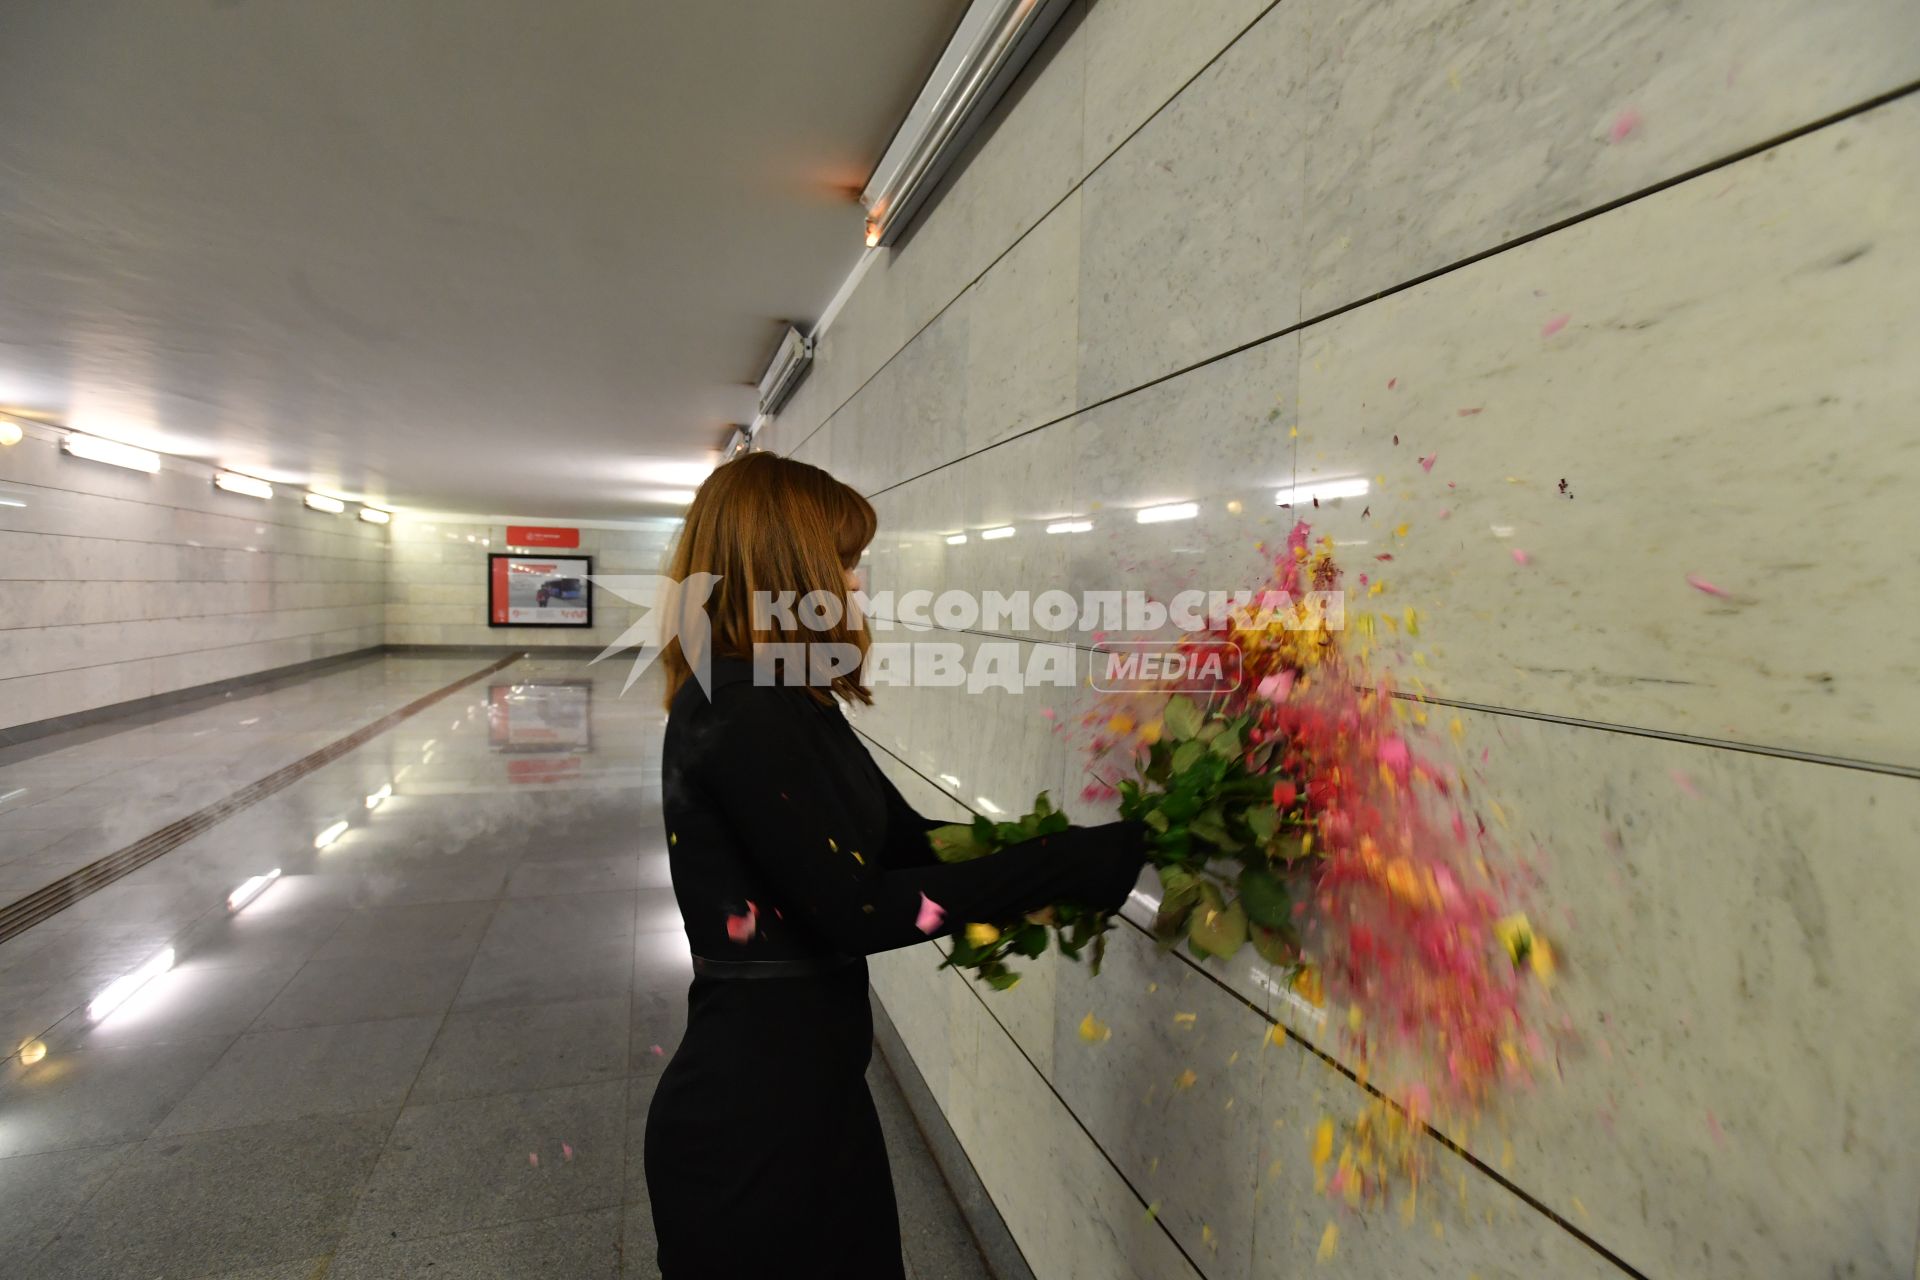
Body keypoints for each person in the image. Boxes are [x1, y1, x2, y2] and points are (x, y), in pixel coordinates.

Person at [643, 453, 1149, 1279]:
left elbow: (909, 843)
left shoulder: (787, 697)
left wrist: (1062, 851)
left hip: (812, 1098)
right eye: (843, 562)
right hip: (752, 1131)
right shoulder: (739, 710)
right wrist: (1063, 867)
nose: (857, 582)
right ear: (787, 566)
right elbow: (860, 907)